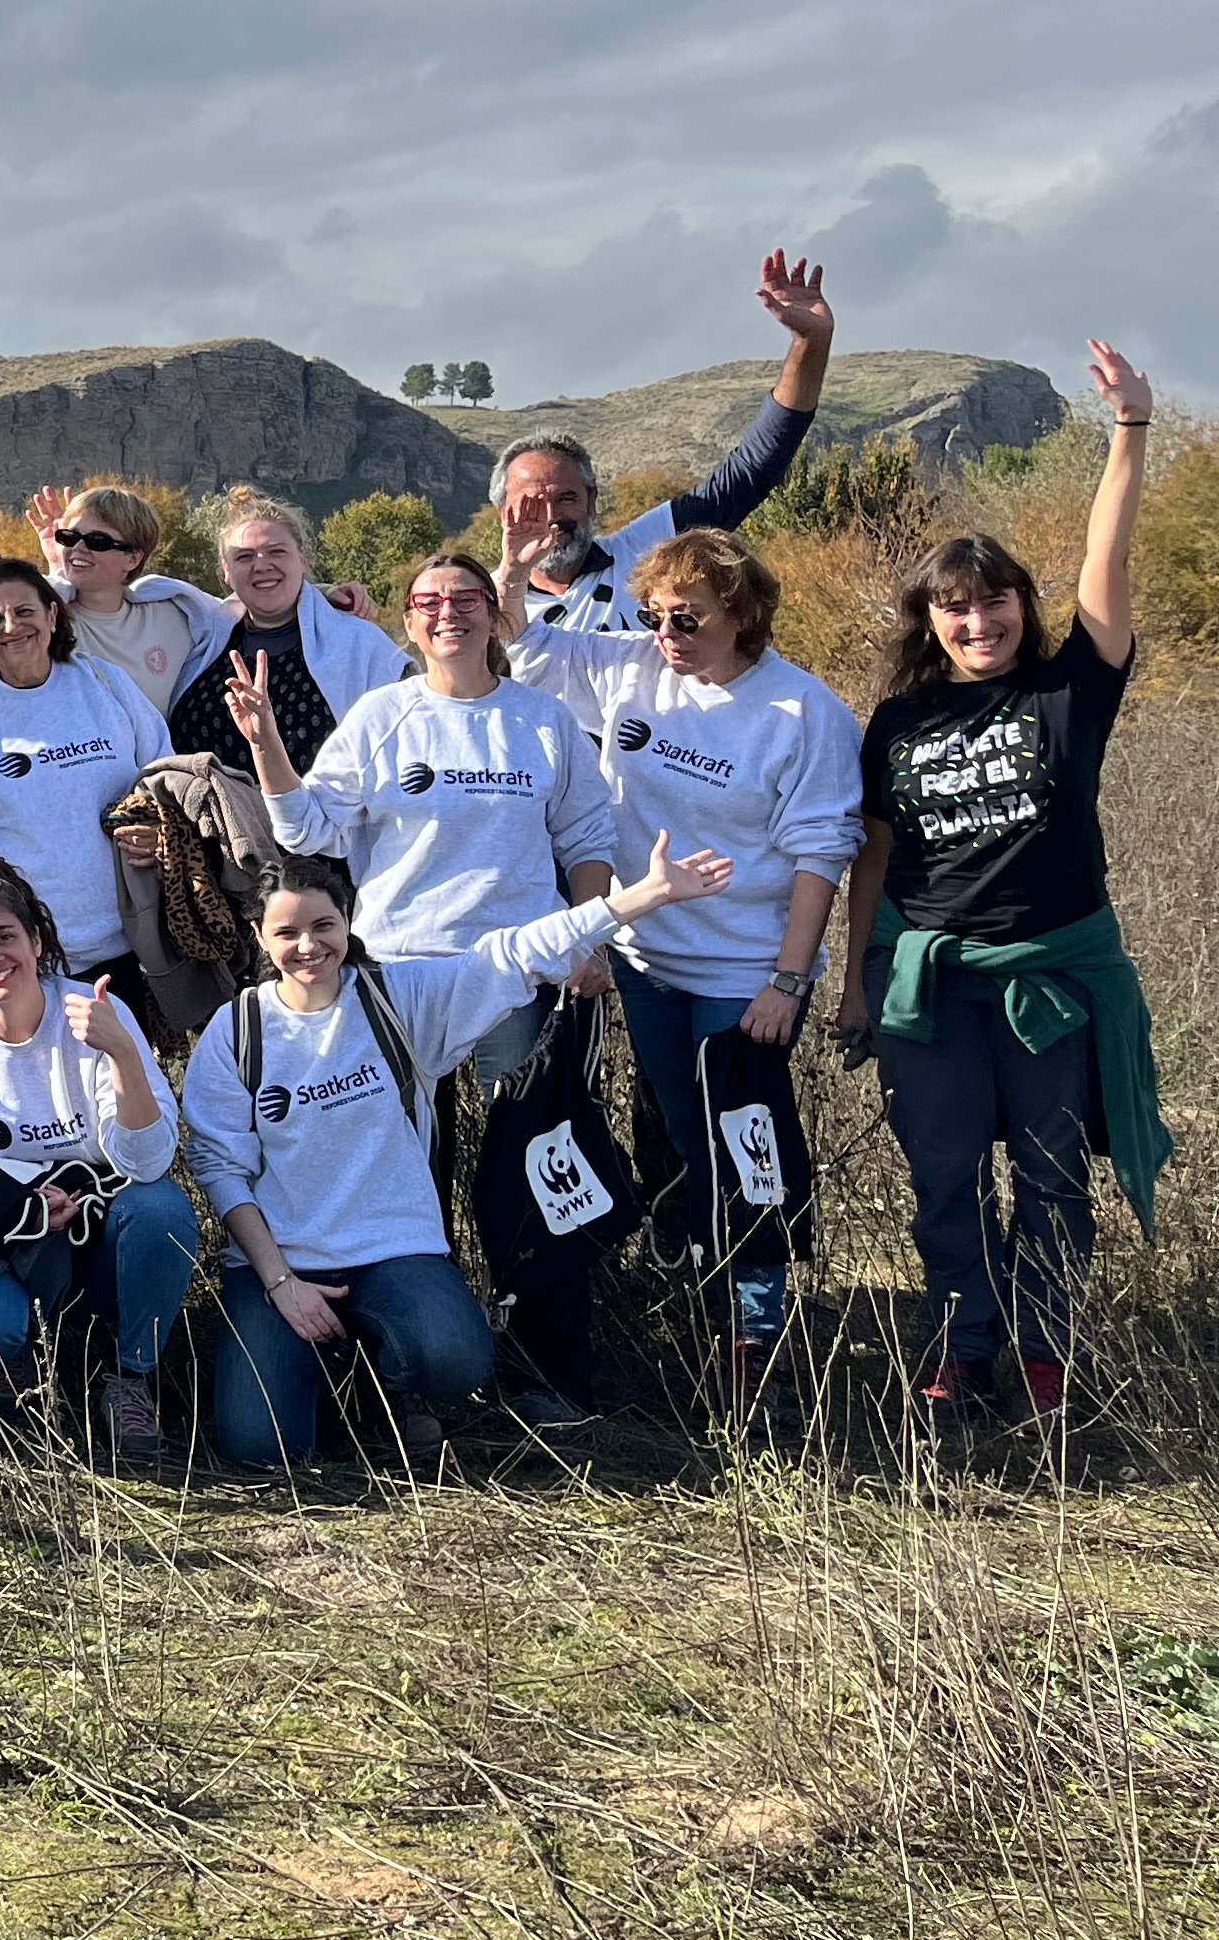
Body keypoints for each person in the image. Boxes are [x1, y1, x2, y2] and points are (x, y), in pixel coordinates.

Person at [837, 342, 1165, 1430]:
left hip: (1048, 980)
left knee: (1054, 1183)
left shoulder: (1071, 692)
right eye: (957, 612)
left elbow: (1105, 573)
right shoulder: (897, 721)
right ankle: (961, 1351)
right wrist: (852, 987)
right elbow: (872, 857)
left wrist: (1128, 433)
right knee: (944, 1182)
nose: (980, 625)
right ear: (931, 623)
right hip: (925, 982)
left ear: (1024, 606)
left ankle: (1043, 1363)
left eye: (996, 605)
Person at [184, 838, 735, 1470]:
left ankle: (390, 1382)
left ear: (348, 920)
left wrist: (639, 899)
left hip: (394, 1253)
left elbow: (516, 952)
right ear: (259, 936)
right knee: (260, 1449)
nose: (308, 946)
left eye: (323, 926)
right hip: (280, 1266)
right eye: (287, 932)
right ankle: (324, 1378)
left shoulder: (400, 1001)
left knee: (453, 1358)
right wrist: (281, 1282)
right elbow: (221, 1170)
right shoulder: (238, 1030)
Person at [237, 553, 626, 1422]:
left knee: (532, 1172)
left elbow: (588, 833)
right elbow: (308, 828)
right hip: (400, 982)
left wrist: (591, 932)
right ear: (408, 623)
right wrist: (267, 747)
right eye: (428, 602)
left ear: (494, 612)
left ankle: (547, 1369)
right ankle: (418, 1368)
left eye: (465, 598)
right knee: (411, 1173)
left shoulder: (542, 721)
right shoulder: (383, 717)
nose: (448, 613)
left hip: (519, 979)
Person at [498, 528, 863, 1433]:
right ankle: (706, 1321)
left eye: (688, 617)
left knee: (748, 1149)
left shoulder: (801, 711)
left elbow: (824, 851)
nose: (666, 632)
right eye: (656, 614)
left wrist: (790, 979)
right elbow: (526, 643)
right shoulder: (629, 668)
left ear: (743, 615)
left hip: (744, 971)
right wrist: (507, 574)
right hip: (649, 963)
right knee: (691, 1148)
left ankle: (760, 1351)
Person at [0, 859, 195, 1455]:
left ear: (37, 940)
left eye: (4, 936)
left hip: (97, 1236)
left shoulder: (94, 1013)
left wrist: (124, 1054)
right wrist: (15, 1202)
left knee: (163, 1210)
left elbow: (148, 1163)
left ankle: (129, 1375)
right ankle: (15, 1366)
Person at [0, 559, 175, 1015]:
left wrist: (161, 833)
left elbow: (165, 776)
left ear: (52, 615)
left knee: (132, 1081)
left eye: (25, 611)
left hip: (132, 941)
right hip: (25, 955)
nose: (11, 627)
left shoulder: (102, 682)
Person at [504, 254, 835, 639]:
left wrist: (810, 343)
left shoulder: (643, 551)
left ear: (593, 501)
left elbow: (752, 471)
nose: (552, 515)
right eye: (531, 503)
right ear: (501, 513)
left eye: (566, 498)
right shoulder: (474, 604)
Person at [0, 376, 221, 721]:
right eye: (69, 538)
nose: (78, 549)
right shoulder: (45, 614)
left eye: (97, 542)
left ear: (133, 557)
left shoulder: (176, 614)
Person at [159, 493, 412, 783]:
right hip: (203, 825)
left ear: (301, 558)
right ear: (226, 571)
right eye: (244, 556)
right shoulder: (201, 635)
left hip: (320, 824)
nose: (261, 564)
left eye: (276, 552)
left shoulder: (361, 646)